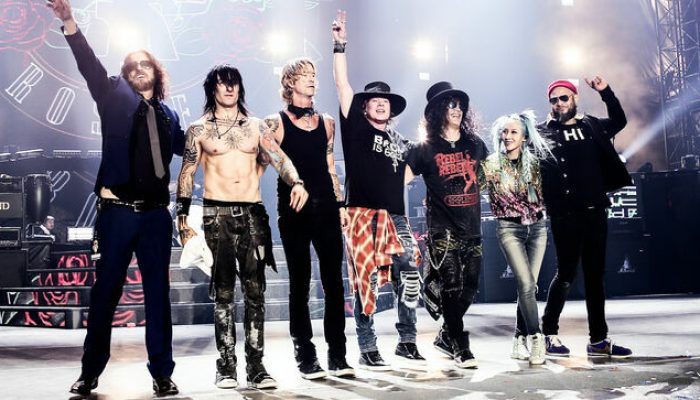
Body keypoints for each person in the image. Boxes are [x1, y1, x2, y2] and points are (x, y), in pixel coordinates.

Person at [48, 0, 184, 396]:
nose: (138, 68)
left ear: (156, 72)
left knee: (158, 296)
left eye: (145, 64)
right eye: (132, 65)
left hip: (156, 216)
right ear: (125, 74)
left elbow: (189, 149)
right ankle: (90, 372)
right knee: (105, 293)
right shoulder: (111, 95)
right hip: (118, 213)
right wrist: (69, 22)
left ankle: (162, 373)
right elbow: (87, 63)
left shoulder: (169, 115)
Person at [175, 64, 309, 389]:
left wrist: (296, 182)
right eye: (223, 83)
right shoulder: (198, 129)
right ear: (213, 89)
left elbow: (279, 157)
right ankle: (225, 367)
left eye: (234, 82)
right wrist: (182, 218)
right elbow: (187, 172)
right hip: (216, 214)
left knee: (255, 292)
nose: (229, 88)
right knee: (223, 293)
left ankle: (257, 367)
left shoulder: (256, 126)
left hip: (252, 213)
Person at [332, 10, 424, 370]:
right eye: (374, 100)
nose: (381, 102)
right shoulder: (356, 128)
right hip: (361, 214)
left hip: (395, 217)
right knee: (365, 280)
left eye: (385, 100)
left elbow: (417, 167)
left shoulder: (401, 141)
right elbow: (343, 86)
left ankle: (407, 340)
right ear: (365, 107)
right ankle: (367, 346)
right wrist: (339, 45)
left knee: (410, 272)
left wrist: (400, 181)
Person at [263, 58, 354, 379]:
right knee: (300, 283)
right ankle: (305, 354)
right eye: (304, 75)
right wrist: (294, 183)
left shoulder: (327, 122)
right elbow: (273, 160)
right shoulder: (274, 122)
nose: (312, 80)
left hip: (327, 206)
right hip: (294, 209)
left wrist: (340, 204)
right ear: (290, 83)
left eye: (314, 75)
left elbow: (330, 166)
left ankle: (338, 354)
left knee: (334, 283)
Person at [539, 77, 633, 358]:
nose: (558, 104)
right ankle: (548, 334)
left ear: (575, 98)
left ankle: (599, 340)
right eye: (553, 100)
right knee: (566, 274)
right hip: (564, 214)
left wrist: (606, 91)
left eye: (563, 98)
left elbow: (619, 120)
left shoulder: (591, 126)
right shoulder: (543, 133)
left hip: (595, 210)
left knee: (595, 277)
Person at [406, 81, 487, 368]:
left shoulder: (475, 144)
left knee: (470, 286)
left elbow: (489, 176)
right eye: (451, 104)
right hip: (443, 230)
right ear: (439, 110)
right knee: (451, 285)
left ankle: (445, 336)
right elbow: (399, 180)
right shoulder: (424, 148)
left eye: (460, 104)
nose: (457, 109)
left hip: (472, 227)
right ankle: (461, 346)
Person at [480, 110, 552, 365]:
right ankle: (536, 337)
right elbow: (469, 190)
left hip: (538, 228)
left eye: (513, 132)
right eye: (505, 132)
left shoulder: (537, 163)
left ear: (524, 137)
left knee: (529, 287)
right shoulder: (490, 164)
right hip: (509, 229)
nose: (508, 136)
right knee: (525, 283)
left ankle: (518, 338)